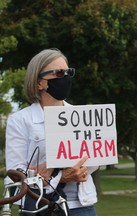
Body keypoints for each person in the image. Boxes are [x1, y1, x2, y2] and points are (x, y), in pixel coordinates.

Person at [5, 48, 98, 216]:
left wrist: (49, 167)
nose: (66, 78)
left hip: (82, 206)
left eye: (68, 72)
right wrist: (60, 176)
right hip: (40, 205)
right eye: (58, 73)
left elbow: (94, 158)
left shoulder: (82, 116)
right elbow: (16, 173)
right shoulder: (19, 120)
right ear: (39, 82)